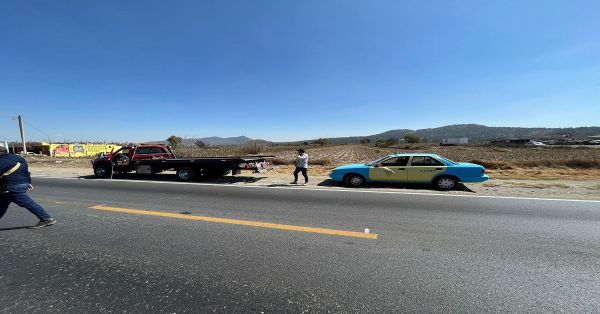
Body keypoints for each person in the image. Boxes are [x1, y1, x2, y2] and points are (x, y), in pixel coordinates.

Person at [0, 146, 56, 228]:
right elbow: (25, 171)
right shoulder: (18, 158)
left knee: (28, 203)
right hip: (20, 184)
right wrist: (28, 182)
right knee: (2, 203)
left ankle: (46, 219)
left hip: (12, 186)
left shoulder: (1, 161)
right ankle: (46, 219)